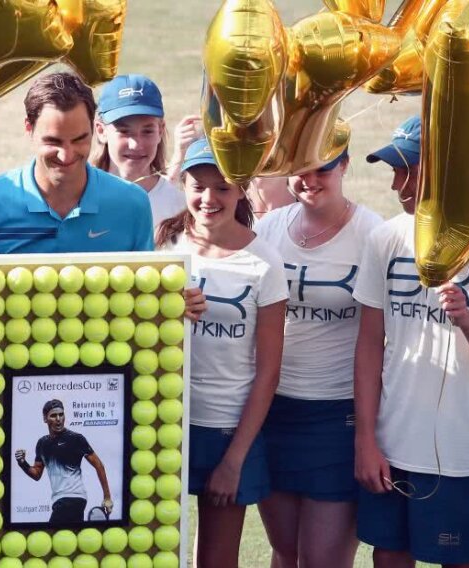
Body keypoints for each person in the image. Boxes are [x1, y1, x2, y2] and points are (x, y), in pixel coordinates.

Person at [353, 116, 469, 568]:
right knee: (388, 555)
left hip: (458, 450)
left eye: (407, 170)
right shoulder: (384, 238)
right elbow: (369, 344)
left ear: (444, 171)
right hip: (390, 441)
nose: (396, 185)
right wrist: (366, 440)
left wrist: (466, 319)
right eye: (393, 170)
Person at [0, 71, 208, 331]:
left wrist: (172, 302)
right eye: (54, 141)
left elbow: (140, 299)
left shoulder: (133, 205)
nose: (67, 155)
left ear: (94, 129)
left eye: (79, 139)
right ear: (28, 128)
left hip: (105, 379)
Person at [156, 139, 288, 568]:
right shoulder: (163, 247)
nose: (208, 198)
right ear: (183, 184)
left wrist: (235, 459)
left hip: (228, 429)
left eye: (223, 188)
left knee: (216, 560)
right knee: (155, 552)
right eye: (198, 186)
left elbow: (268, 372)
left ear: (242, 189)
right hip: (161, 425)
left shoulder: (265, 262)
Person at [253, 147, 383, 568]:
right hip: (272, 412)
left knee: (323, 560)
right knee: (286, 552)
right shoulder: (270, 227)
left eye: (322, 167)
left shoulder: (372, 235)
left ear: (345, 164)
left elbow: (383, 338)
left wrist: (367, 435)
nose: (309, 178)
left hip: (338, 416)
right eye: (298, 168)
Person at [90, 74, 185, 226]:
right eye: (124, 131)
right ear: (101, 131)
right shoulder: (79, 198)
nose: (135, 144)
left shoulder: (180, 204)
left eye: (147, 131)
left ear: (160, 131)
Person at [14, 399, 113, 524]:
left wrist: (107, 497)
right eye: (53, 416)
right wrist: (22, 462)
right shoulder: (42, 443)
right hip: (60, 500)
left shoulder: (76, 439)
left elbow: (99, 465)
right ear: (45, 419)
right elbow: (36, 474)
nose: (58, 419)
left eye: (61, 414)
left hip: (73, 497)